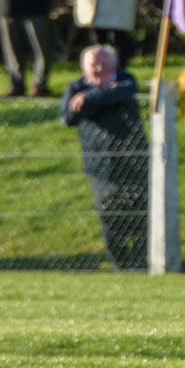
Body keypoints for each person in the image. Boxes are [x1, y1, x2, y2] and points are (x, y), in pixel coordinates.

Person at [61, 44, 149, 270]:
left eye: (104, 64)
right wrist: (105, 96)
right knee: (110, 216)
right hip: (100, 167)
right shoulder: (75, 86)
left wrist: (89, 98)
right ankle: (120, 264)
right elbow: (69, 117)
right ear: (83, 68)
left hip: (135, 162)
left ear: (115, 65)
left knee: (140, 215)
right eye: (93, 65)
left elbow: (125, 91)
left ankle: (141, 264)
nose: (99, 68)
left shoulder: (126, 79)